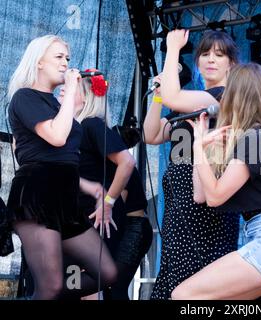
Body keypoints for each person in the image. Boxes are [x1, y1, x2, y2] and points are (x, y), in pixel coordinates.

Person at [171, 62, 261, 300]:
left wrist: (198, 148)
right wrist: (205, 147)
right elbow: (200, 195)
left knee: (184, 295)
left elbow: (215, 198)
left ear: (237, 95)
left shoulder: (256, 138)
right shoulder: (248, 137)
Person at [5, 35, 117, 299]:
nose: (66, 62)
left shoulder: (58, 104)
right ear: (39, 62)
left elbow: (64, 155)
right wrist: (68, 93)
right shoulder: (24, 97)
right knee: (51, 285)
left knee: (106, 273)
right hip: (37, 196)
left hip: (65, 200)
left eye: (67, 58)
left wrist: (88, 186)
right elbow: (56, 136)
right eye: (58, 57)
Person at [143, 29, 241, 299]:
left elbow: (177, 98)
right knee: (175, 270)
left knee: (202, 274)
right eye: (205, 54)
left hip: (205, 197)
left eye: (219, 55)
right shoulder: (189, 102)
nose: (211, 59)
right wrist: (159, 95)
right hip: (178, 201)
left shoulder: (223, 98)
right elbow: (151, 135)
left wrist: (172, 48)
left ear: (231, 64)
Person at [73, 74, 153, 300]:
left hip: (131, 226)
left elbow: (125, 175)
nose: (65, 91)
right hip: (114, 223)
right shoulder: (83, 132)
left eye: (73, 88)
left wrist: (106, 203)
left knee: (113, 288)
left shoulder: (92, 125)